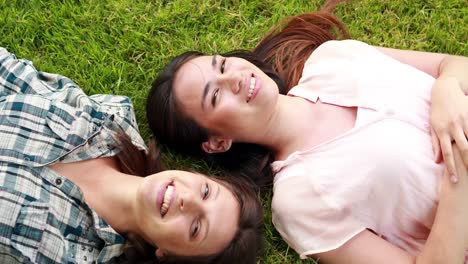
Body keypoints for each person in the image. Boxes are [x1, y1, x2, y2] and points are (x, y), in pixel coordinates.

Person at [146, 2, 468, 264]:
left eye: (221, 65)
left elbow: (452, 65)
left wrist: (446, 90)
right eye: (215, 96)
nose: (233, 79)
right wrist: (460, 169)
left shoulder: (331, 59)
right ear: (218, 142)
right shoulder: (298, 201)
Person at [0, 47, 263, 264]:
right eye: (206, 192)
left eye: (196, 228)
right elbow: (14, 77)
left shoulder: (74, 256)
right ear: (198, 174)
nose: (188, 200)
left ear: (167, 255)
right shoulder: (110, 120)